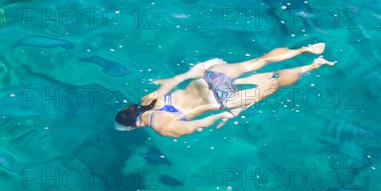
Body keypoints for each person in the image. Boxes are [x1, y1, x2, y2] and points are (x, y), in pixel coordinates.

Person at [114, 43, 334, 137]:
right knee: (258, 61)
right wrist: (194, 71)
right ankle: (305, 49)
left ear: (133, 128)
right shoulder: (148, 99)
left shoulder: (162, 128)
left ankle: (312, 66)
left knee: (274, 85)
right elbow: (173, 80)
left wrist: (228, 114)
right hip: (208, 79)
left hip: (221, 99)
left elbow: (201, 123)